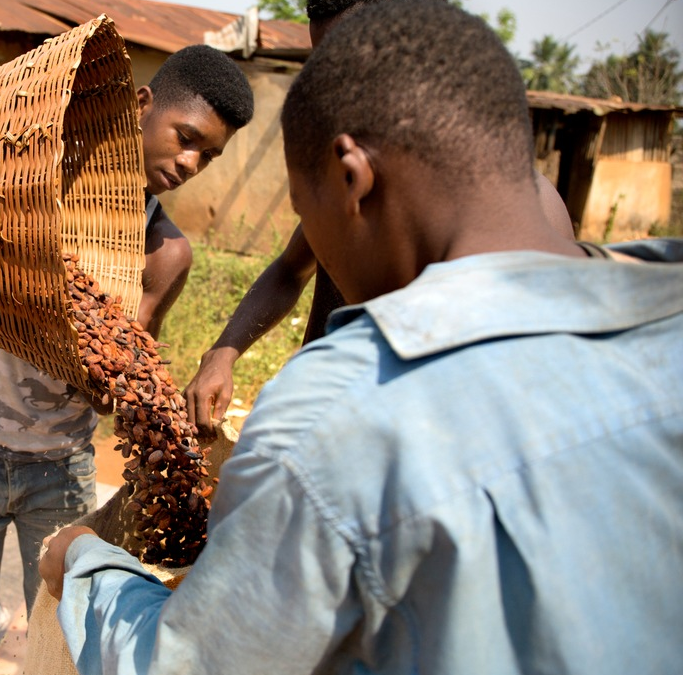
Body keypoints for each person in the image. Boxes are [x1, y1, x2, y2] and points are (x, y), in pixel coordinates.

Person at [39, 2, 683, 673]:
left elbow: (185, 664)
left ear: (351, 178)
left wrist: (85, 564)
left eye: (304, 206)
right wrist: (226, 347)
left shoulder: (334, 423)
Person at [0, 40, 254, 675]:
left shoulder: (164, 254)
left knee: (55, 633)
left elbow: (117, 368)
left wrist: (131, 396)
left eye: (208, 155)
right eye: (186, 137)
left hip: (59, 470)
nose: (190, 161)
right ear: (141, 105)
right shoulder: (33, 167)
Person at [182, 0, 577, 435]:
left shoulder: (529, 218)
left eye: (347, 65)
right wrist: (224, 351)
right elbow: (290, 270)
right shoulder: (352, 187)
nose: (333, 88)